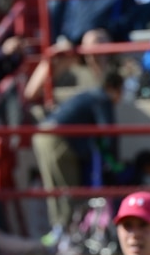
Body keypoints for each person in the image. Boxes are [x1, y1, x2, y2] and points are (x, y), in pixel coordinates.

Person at [31, 68, 124, 231]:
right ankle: (67, 234)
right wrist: (114, 163)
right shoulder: (102, 98)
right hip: (58, 140)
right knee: (69, 189)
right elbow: (109, 132)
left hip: (42, 135)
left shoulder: (88, 95)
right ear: (114, 88)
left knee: (55, 189)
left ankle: (59, 232)